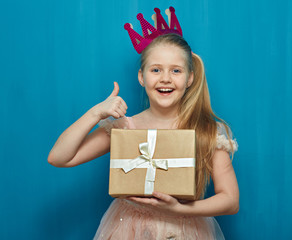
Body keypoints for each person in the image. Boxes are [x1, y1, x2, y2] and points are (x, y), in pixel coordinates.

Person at [48, 7, 239, 240]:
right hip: (127, 229)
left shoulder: (207, 131)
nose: (165, 78)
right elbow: (59, 157)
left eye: (176, 71)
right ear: (142, 77)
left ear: (190, 78)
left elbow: (230, 200)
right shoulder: (123, 127)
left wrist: (179, 209)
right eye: (156, 69)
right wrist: (95, 114)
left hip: (185, 229)